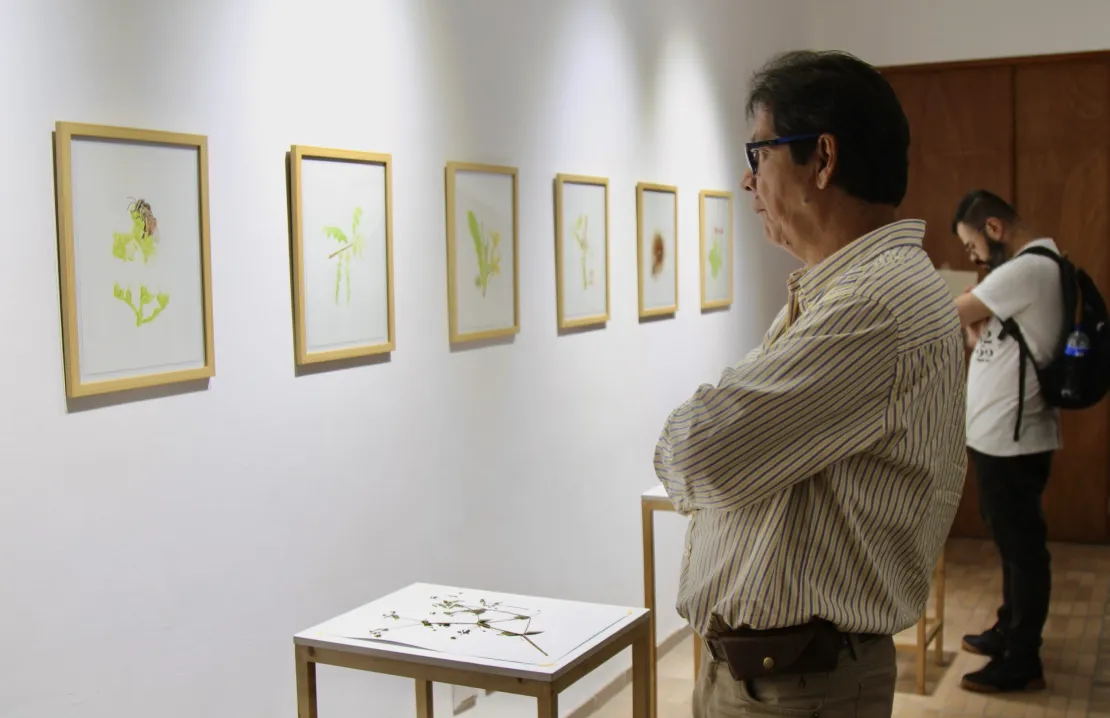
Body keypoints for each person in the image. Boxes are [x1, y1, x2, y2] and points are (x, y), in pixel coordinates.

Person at [652, 50, 966, 718]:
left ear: (821, 160)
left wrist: (689, 431)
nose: (747, 179)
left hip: (797, 687)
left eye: (759, 153)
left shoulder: (873, 307)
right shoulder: (850, 292)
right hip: (780, 677)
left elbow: (697, 452)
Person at [950, 189, 1063, 693]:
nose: (972, 259)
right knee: (1011, 542)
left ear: (993, 229)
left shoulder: (1028, 267)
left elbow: (955, 313)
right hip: (1000, 436)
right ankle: (1008, 627)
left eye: (972, 246)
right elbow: (984, 336)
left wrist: (955, 301)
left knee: (1023, 548)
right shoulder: (1021, 275)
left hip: (1014, 439)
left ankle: (1023, 658)